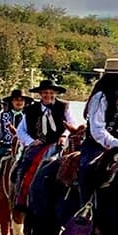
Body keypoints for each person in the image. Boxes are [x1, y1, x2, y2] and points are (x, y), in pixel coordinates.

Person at [78, 58, 118, 209]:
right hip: (96, 146)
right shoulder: (100, 97)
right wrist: (117, 143)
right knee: (87, 170)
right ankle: (86, 208)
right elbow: (97, 130)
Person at [14, 80, 78, 211]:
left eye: (51, 93)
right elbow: (20, 130)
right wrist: (31, 141)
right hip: (39, 145)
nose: (48, 95)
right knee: (26, 164)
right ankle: (22, 198)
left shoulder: (64, 107)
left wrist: (64, 135)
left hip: (60, 144)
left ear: (55, 93)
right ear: (39, 94)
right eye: (44, 93)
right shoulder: (31, 110)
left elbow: (72, 124)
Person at [0, 89, 33, 215]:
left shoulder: (29, 115)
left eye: (21, 100)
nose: (19, 102)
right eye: (16, 100)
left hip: (26, 146)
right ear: (11, 102)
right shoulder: (3, 115)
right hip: (6, 147)